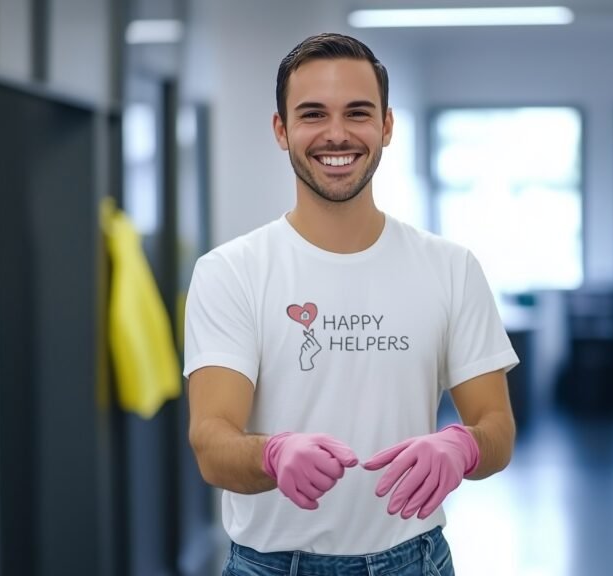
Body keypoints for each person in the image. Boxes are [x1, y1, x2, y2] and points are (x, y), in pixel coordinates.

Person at [184, 32, 519, 576]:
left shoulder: (451, 267)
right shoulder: (231, 271)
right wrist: (271, 454)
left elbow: (497, 427)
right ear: (281, 129)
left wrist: (464, 447)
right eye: (312, 114)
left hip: (415, 561)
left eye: (357, 113)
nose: (336, 134)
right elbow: (211, 440)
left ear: (386, 126)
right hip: (270, 565)